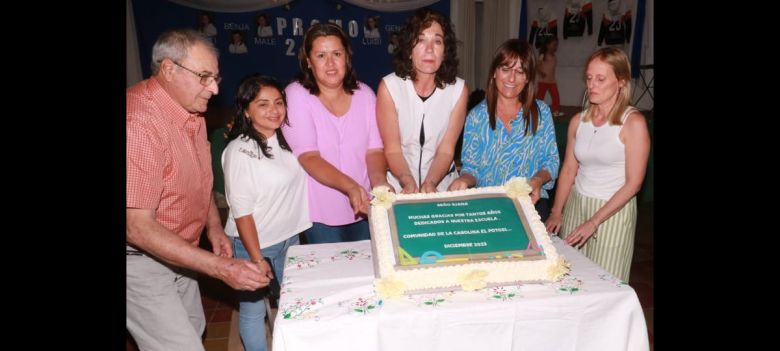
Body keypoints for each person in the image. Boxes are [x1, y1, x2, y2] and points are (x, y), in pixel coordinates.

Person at [127, 29, 269, 351]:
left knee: (194, 328)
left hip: (179, 248)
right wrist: (219, 267)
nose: (215, 88)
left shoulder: (190, 110)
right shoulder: (137, 124)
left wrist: (214, 226)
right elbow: (135, 227)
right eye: (205, 77)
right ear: (168, 69)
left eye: (216, 77)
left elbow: (198, 176)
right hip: (138, 257)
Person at [545, 47, 650, 283]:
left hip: (611, 211)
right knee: (570, 279)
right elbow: (570, 169)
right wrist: (557, 211)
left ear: (621, 82)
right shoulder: (577, 121)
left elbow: (634, 184)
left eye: (601, 79)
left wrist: (594, 221)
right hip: (576, 203)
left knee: (605, 284)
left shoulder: (633, 123)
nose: (592, 85)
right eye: (589, 78)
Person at [222, 74, 312, 351]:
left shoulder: (286, 142)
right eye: (263, 104)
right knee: (253, 312)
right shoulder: (240, 151)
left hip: (290, 240)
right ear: (247, 110)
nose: (274, 110)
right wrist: (256, 257)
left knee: (290, 303)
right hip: (256, 245)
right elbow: (242, 213)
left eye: (278, 103)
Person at [282, 23, 390, 244]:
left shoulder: (365, 94)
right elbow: (309, 157)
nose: (330, 63)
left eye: (337, 54)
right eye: (321, 55)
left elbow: (375, 150)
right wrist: (351, 187)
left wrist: (379, 184)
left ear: (347, 58)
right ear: (308, 62)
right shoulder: (296, 95)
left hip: (365, 206)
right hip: (320, 214)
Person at [449, 39, 559, 222]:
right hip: (488, 209)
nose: (511, 78)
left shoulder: (541, 113)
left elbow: (551, 161)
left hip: (532, 205)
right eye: (505, 69)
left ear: (528, 78)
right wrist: (464, 181)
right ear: (494, 72)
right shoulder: (476, 117)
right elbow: (471, 168)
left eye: (520, 71)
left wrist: (537, 181)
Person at [376, 8, 468, 193]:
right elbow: (392, 149)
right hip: (399, 185)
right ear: (409, 50)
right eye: (420, 40)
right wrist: (407, 180)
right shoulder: (389, 87)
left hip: (442, 185)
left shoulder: (458, 90)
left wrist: (431, 183)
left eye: (437, 41)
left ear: (445, 51)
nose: (429, 49)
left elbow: (446, 150)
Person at [536, 37, 564, 117]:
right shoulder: (543, 55)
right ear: (548, 45)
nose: (556, 47)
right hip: (543, 81)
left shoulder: (554, 56)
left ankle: (555, 111)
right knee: (539, 98)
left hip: (552, 81)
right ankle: (536, 112)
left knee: (556, 97)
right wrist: (541, 73)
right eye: (554, 45)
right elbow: (537, 66)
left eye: (556, 45)